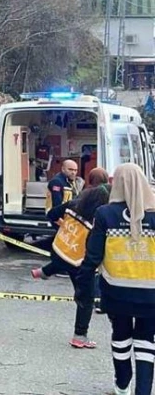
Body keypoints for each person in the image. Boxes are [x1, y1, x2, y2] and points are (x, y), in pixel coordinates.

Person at [79, 163, 155, 395]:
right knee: (147, 340)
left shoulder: (105, 214)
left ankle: (122, 385)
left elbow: (92, 256)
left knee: (120, 335)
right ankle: (143, 390)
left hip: (116, 290)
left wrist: (84, 290)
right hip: (151, 293)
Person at [31, 167, 111, 348]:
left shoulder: (76, 202)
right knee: (86, 299)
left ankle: (43, 271)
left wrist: (65, 225)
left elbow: (51, 214)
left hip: (61, 249)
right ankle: (79, 336)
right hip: (79, 260)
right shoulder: (101, 215)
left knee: (62, 265)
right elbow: (98, 247)